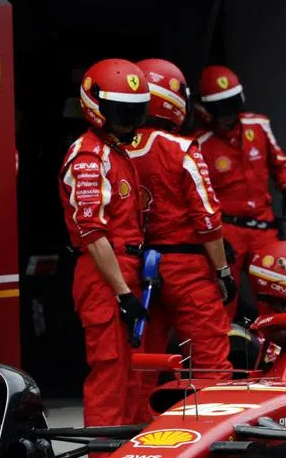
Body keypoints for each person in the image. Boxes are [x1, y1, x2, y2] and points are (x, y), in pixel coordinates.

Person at [129, 59, 235, 398]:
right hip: (186, 267)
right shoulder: (181, 149)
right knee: (210, 361)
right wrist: (222, 270)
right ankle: (211, 442)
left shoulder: (114, 151)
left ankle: (139, 440)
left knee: (142, 359)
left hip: (137, 266)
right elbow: (207, 216)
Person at [59, 58, 150, 428]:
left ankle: (124, 457)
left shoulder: (115, 153)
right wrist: (122, 292)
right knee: (110, 372)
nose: (128, 122)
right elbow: (92, 233)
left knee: (130, 374)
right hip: (104, 278)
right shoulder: (89, 157)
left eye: (133, 112)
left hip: (125, 273)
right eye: (119, 113)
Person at [194, 65, 286, 318]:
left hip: (264, 227)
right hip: (227, 231)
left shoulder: (259, 125)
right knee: (223, 298)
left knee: (277, 292)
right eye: (221, 110)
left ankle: (276, 353)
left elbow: (279, 161)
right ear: (207, 111)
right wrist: (214, 239)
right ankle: (225, 353)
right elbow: (198, 196)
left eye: (232, 107)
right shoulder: (199, 144)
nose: (228, 115)